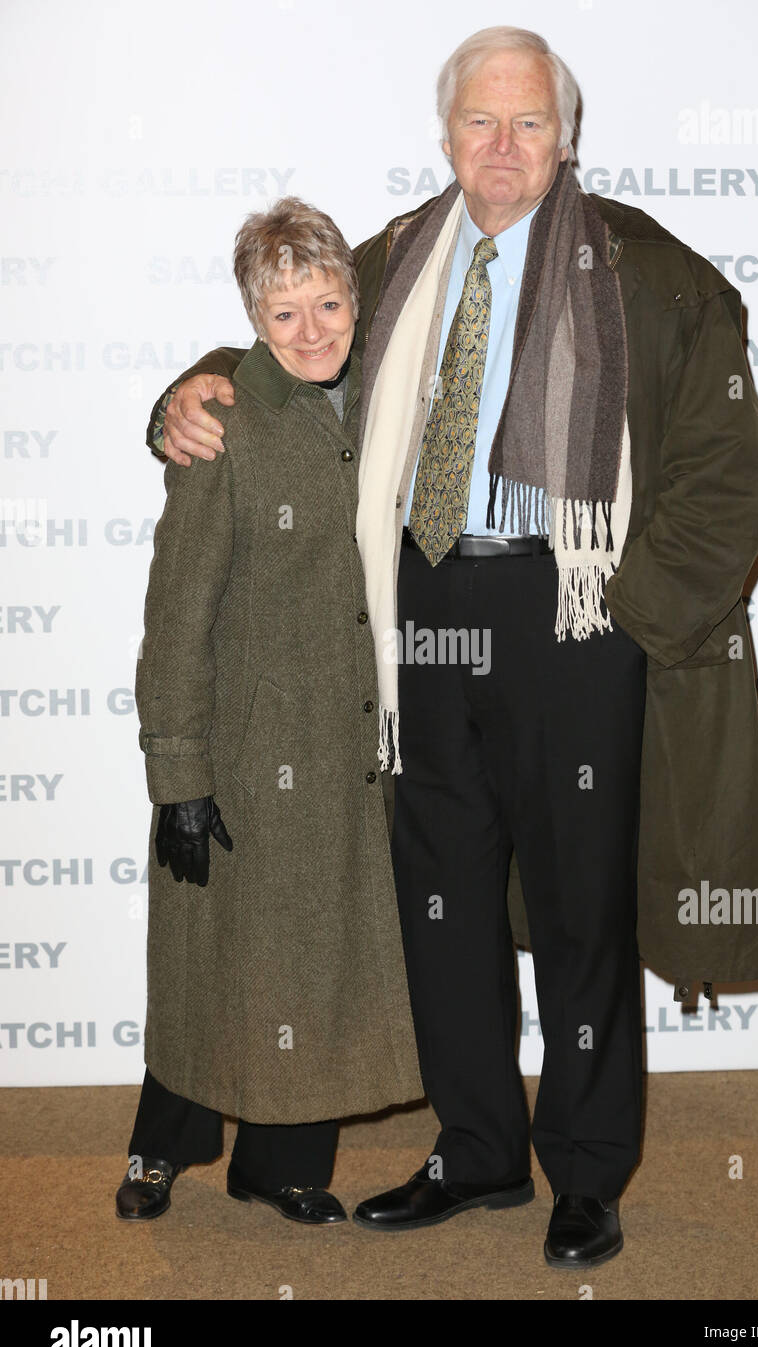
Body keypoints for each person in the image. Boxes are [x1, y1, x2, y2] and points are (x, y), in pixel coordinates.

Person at [145, 27, 758, 1267]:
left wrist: (622, 622)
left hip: (572, 613)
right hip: (421, 612)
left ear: (566, 135)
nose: (502, 148)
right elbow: (290, 351)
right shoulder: (392, 260)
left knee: (581, 904)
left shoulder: (651, 277)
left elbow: (733, 484)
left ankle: (585, 1172)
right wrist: (186, 388)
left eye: (528, 123)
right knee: (439, 899)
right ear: (446, 136)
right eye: (480, 124)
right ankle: (476, 1148)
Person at [116, 197, 422, 1227]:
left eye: (327, 302)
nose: (311, 331)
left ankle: (282, 1162)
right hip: (246, 748)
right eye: (282, 314)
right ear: (252, 317)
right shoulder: (225, 424)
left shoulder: (383, 394)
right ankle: (161, 1147)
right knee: (215, 959)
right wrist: (178, 775)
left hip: (347, 750)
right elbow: (176, 614)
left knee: (315, 956)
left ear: (354, 298)